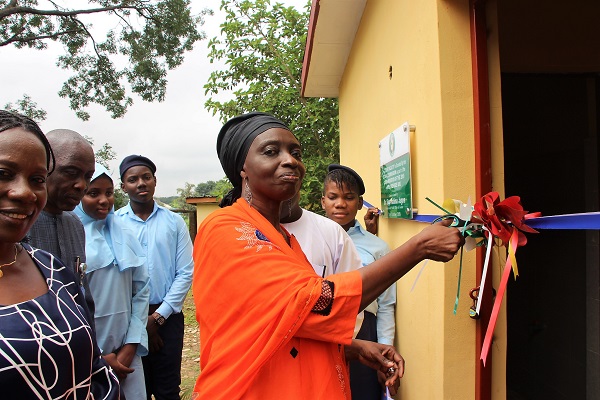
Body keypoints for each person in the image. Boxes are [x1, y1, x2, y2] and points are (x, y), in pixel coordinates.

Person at [192, 112, 464, 399]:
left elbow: (292, 321)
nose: (290, 160)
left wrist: (353, 348)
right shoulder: (227, 228)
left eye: (295, 152)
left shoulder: (286, 239)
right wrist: (417, 248)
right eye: (272, 151)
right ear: (242, 168)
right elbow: (316, 302)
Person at [0, 110, 120, 398]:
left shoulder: (52, 262)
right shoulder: (21, 223)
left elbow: (82, 311)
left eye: (36, 178)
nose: (23, 193)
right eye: (4, 174)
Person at [115, 154, 194, 400]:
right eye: (133, 179)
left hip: (168, 318)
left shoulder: (174, 222)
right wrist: (140, 322)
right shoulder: (113, 223)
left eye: (146, 177)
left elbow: (185, 272)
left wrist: (157, 318)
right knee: (135, 388)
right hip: (126, 319)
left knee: (168, 388)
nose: (141, 183)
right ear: (123, 186)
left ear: (155, 181)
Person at [74, 162, 151, 399]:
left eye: (108, 193)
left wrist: (130, 345)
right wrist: (97, 356)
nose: (103, 200)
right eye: (93, 193)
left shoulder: (125, 233)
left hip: (127, 348)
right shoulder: (72, 238)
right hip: (87, 353)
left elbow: (141, 291)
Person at [322, 164, 396, 399]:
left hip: (365, 334)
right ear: (323, 201)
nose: (340, 204)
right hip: (320, 334)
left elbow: (385, 305)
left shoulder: (377, 247)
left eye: (349, 197)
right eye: (333, 197)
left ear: (359, 202)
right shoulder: (307, 240)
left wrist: (385, 354)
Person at [26, 128, 96, 321]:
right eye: (71, 172)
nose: (81, 185)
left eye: (87, 176)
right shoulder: (19, 223)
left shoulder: (75, 224)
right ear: (43, 168)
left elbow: (83, 293)